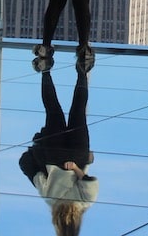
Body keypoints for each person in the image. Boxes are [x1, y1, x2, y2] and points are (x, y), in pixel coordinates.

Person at [18, 68, 98, 236]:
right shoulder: (49, 198)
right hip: (54, 155)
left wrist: (76, 168)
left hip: (78, 155)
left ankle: (82, 70)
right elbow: (30, 169)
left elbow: (90, 183)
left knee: (78, 109)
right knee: (53, 108)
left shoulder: (84, 204)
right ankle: (46, 70)